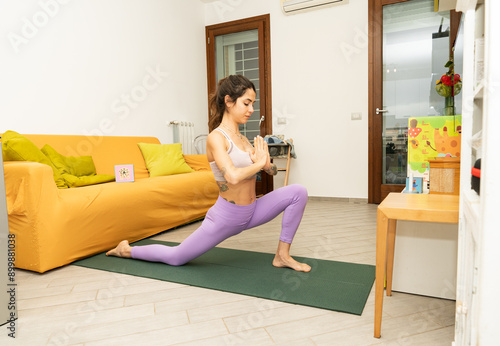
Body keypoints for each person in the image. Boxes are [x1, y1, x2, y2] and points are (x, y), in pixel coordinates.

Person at [107, 75, 311, 272]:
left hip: (253, 210)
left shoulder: (243, 139)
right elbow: (231, 176)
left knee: (298, 192)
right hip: (227, 217)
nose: (251, 109)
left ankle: (282, 256)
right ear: (229, 102)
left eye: (252, 104)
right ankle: (126, 250)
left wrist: (267, 165)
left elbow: (271, 170)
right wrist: (258, 165)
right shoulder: (216, 138)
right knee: (176, 257)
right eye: (247, 103)